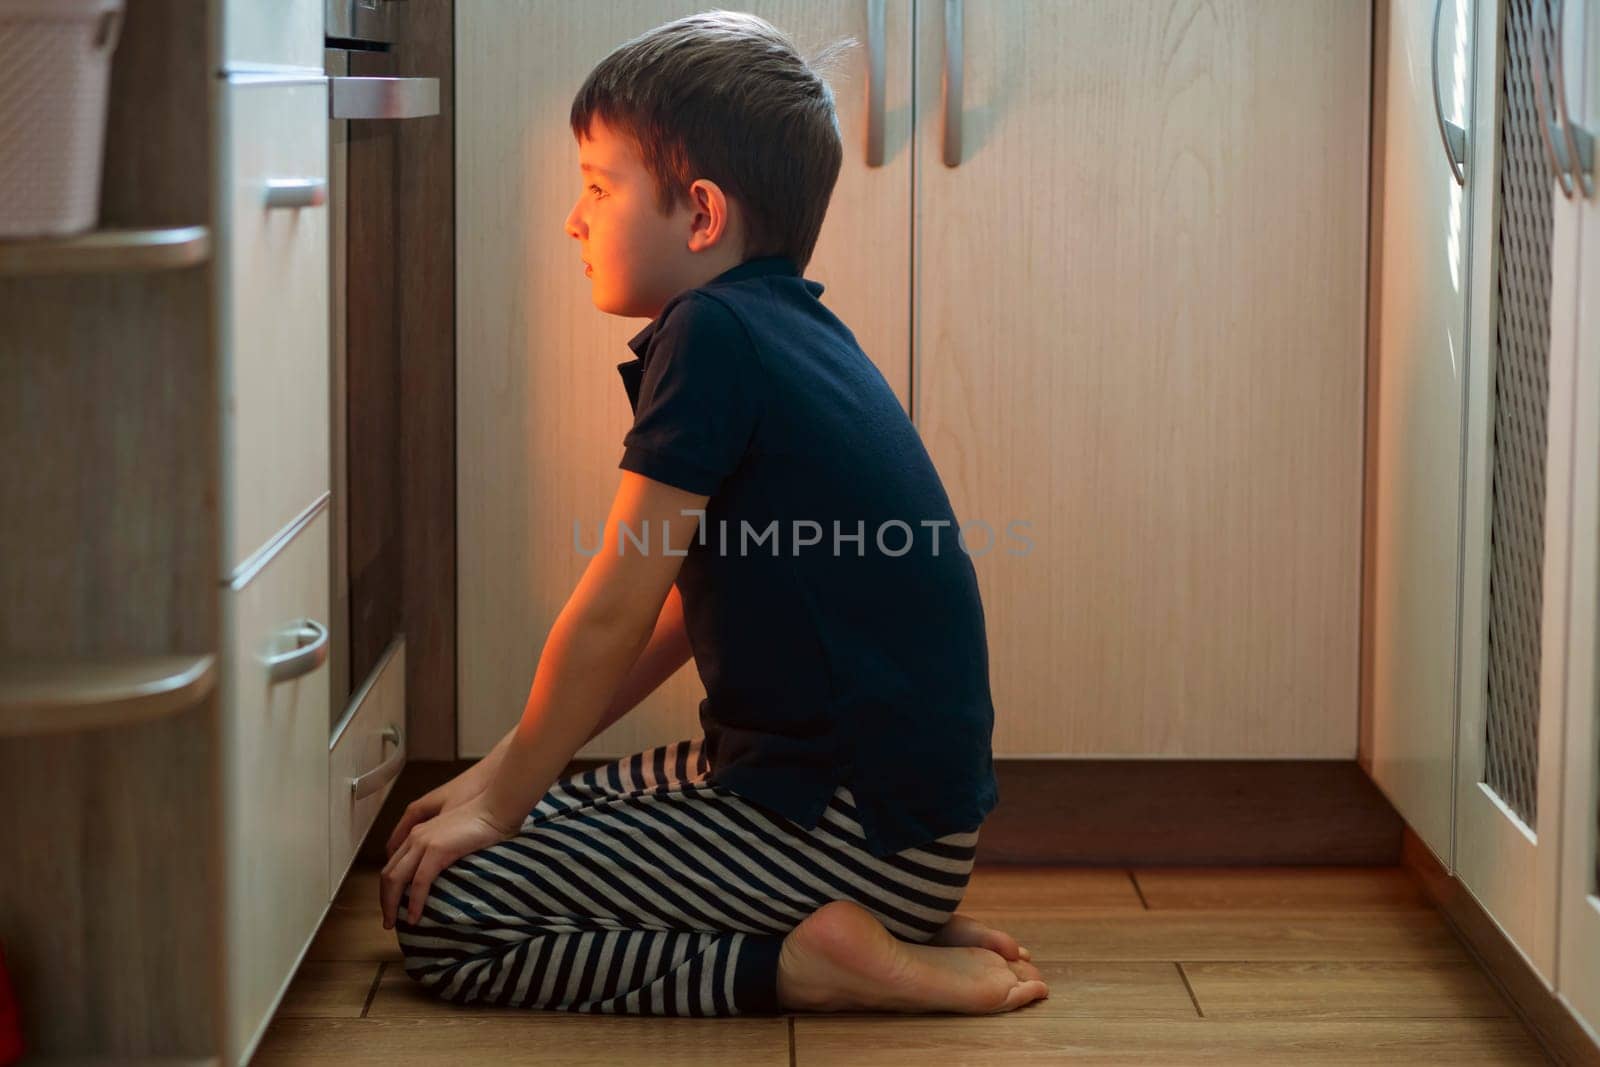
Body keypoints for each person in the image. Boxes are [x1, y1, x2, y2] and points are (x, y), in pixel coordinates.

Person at [380, 9, 1047, 1017]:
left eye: (598, 187)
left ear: (699, 214)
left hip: (844, 822)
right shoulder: (781, 327)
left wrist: (504, 794)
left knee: (444, 907)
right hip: (892, 825)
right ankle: (873, 917)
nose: (575, 218)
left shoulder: (709, 335)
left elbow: (612, 605)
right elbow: (682, 614)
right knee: (531, 807)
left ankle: (796, 959)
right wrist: (505, 772)